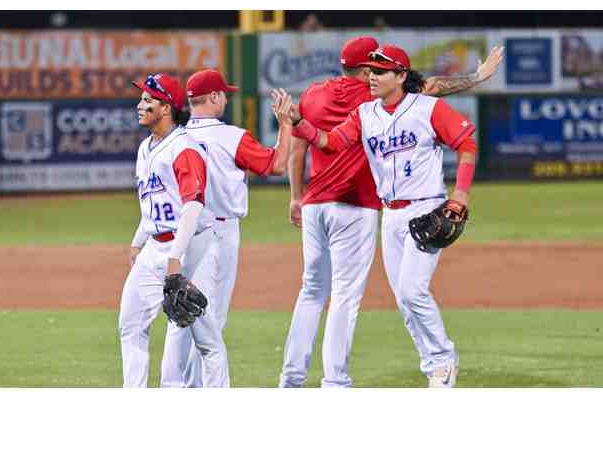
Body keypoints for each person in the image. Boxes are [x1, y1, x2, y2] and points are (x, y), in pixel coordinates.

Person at [277, 37, 503, 388]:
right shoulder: (365, 111)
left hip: (426, 204)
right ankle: (434, 366)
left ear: (399, 75)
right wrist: (298, 122)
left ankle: (443, 359)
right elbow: (330, 142)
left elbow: (467, 141)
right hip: (389, 215)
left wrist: (460, 193)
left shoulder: (425, 107)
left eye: (381, 71)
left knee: (412, 291)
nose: (372, 77)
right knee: (403, 298)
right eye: (372, 70)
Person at [159, 68, 292, 387]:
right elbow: (275, 165)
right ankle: (197, 388)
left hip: (183, 231)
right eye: (224, 94)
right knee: (208, 317)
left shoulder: (174, 137)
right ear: (215, 97)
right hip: (217, 234)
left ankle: (173, 386)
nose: (226, 99)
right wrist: (286, 125)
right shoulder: (231, 137)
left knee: (180, 315)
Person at [119, 72, 229, 387]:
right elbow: (153, 202)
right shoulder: (146, 149)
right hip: (155, 247)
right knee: (130, 325)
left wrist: (176, 258)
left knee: (205, 338)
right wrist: (138, 241)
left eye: (147, 100)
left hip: (193, 247)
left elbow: (193, 205)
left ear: (166, 107)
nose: (140, 105)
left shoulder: (185, 148)